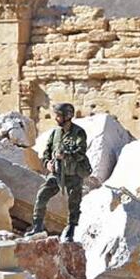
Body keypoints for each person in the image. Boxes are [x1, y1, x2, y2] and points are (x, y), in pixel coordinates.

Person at [26, 102, 91, 241]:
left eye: (59, 115)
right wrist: (47, 163)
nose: (56, 118)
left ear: (68, 116)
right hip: (56, 173)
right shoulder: (55, 133)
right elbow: (46, 152)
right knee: (42, 195)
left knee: (74, 204)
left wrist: (66, 155)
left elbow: (81, 152)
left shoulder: (79, 132)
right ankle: (37, 226)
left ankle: (71, 230)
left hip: (73, 174)